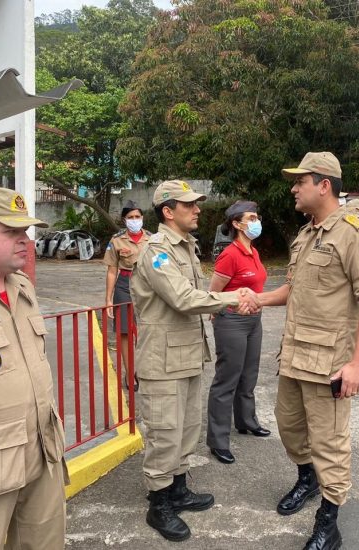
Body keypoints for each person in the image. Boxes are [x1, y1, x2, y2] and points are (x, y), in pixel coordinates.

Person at [258, 152, 359, 550]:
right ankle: (307, 478)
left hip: (330, 362)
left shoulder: (354, 231)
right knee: (289, 426)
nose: (294, 188)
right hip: (295, 354)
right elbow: (292, 290)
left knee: (329, 442)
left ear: (323, 184)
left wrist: (357, 364)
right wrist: (253, 299)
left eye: (300, 181)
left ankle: (329, 520)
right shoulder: (307, 233)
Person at [130, 180, 260, 543]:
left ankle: (178, 489)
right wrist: (233, 297)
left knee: (186, 428)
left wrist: (225, 298)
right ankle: (158, 503)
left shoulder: (186, 247)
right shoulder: (157, 251)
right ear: (168, 211)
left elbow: (199, 295)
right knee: (164, 432)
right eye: (189, 205)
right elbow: (184, 298)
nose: (198, 209)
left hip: (186, 354)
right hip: (162, 359)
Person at [0, 187, 67, 550]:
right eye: (12, 232)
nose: (26, 241)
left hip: (42, 447)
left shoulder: (22, 287)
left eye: (26, 232)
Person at [207, 200, 270, 465]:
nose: (256, 222)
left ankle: (246, 421)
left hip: (254, 320)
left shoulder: (252, 252)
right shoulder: (230, 254)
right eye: (251, 218)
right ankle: (218, 440)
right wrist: (218, 314)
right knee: (227, 379)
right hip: (231, 321)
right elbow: (214, 292)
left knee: (249, 374)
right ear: (236, 224)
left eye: (257, 217)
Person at [103, 200, 151, 391]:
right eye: (130, 217)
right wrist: (108, 299)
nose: (134, 220)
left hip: (148, 286)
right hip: (124, 285)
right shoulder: (117, 241)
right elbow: (112, 271)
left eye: (137, 217)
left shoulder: (153, 239)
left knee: (147, 329)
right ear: (124, 220)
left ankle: (144, 370)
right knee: (124, 332)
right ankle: (130, 373)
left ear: (142, 218)